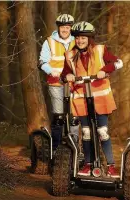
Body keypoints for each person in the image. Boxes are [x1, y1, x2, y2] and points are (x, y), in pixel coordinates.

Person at [61, 21, 123, 178]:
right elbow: (64, 74)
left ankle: (110, 165)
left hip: (101, 98)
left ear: (89, 38)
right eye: (77, 38)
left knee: (102, 132)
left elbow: (118, 62)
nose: (80, 41)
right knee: (87, 132)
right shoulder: (70, 55)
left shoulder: (100, 50)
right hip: (81, 99)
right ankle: (88, 163)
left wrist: (104, 70)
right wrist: (66, 76)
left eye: (83, 38)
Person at [39, 14, 79, 151]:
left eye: (67, 27)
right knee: (59, 116)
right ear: (58, 28)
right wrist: (51, 71)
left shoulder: (77, 41)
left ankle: (74, 147)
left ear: (71, 28)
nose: (65, 30)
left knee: (75, 117)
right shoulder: (49, 41)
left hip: (75, 85)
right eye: (62, 27)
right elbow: (42, 62)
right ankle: (55, 149)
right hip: (56, 83)